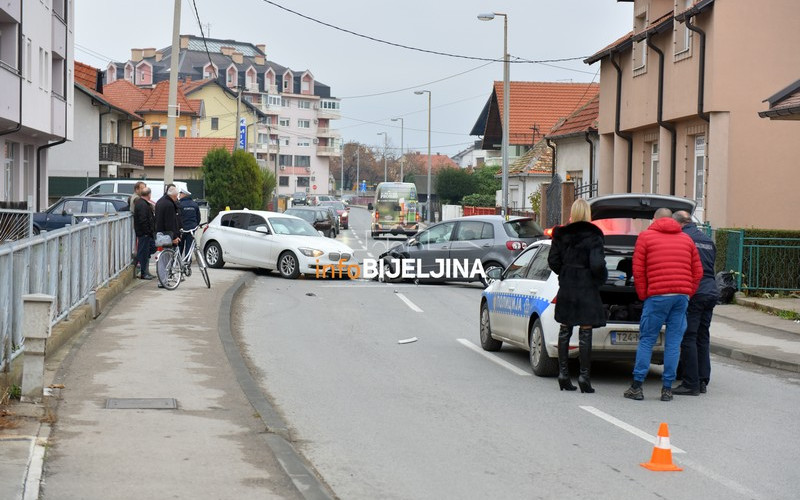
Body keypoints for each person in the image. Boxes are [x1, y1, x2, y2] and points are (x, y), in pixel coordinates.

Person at [624, 208, 703, 402]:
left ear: (654, 219)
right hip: (681, 297)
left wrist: (644, 294)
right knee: (674, 343)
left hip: (657, 296)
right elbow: (698, 271)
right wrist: (687, 292)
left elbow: (638, 269)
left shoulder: (645, 237)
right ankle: (667, 389)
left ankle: (637, 386)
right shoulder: (686, 239)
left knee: (647, 339)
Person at [547, 198, 608, 393]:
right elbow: (597, 264)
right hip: (586, 288)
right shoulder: (594, 235)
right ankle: (584, 377)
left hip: (567, 287)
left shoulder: (561, 234)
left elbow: (553, 261)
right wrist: (598, 279)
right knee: (585, 331)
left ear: (573, 212)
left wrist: (565, 273)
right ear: (588, 214)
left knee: (565, 330)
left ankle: (563, 374)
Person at [672, 210, 718, 396]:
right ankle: (702, 380)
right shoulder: (707, 240)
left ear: (678, 224)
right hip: (711, 291)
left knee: (688, 336)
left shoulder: (683, 239)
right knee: (702, 336)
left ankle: (690, 382)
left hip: (696, 291)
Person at [133, 188, 155, 280]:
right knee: (143, 253)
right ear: (149, 194)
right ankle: (143, 272)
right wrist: (148, 232)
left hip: (144, 233)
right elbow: (143, 220)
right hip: (144, 233)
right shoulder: (143, 204)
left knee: (146, 252)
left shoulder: (141, 203)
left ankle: (144, 272)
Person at [178, 188, 200, 261]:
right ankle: (187, 263)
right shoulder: (194, 204)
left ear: (184, 194)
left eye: (180, 194)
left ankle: (177, 262)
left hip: (181, 229)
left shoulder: (179, 204)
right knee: (189, 246)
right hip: (191, 229)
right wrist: (195, 225)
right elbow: (198, 218)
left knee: (180, 246)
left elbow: (177, 217)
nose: (179, 195)